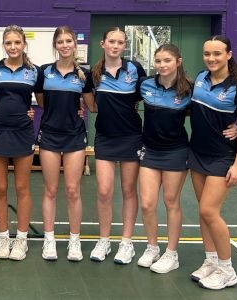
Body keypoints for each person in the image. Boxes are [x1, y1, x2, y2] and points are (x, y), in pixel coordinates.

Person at [136, 44, 237, 274]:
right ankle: (152, 247)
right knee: (147, 203)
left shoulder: (190, 89)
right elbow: (121, 105)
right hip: (150, 151)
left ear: (178, 62)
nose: (162, 65)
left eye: (167, 61)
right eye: (158, 61)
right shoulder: (145, 85)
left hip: (176, 151)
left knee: (171, 202)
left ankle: (171, 254)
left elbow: (211, 112)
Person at [188, 35, 237, 290]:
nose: (211, 59)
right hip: (197, 153)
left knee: (210, 211)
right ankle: (211, 261)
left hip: (222, 157)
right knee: (202, 212)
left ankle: (227, 270)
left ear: (229, 55)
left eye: (217, 54)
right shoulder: (199, 78)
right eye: (207, 54)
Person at [87, 27, 146, 264]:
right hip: (105, 137)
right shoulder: (94, 72)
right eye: (111, 41)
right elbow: (91, 105)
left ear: (124, 46)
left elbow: (144, 96)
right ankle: (104, 240)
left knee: (129, 190)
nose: (115, 45)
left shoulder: (135, 69)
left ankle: (126, 242)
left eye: (120, 42)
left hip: (131, 136)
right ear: (103, 43)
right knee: (103, 190)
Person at [0, 25, 43, 261]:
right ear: (4, 45)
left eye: (17, 42)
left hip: (22, 133)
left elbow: (41, 103)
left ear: (23, 45)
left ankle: (21, 239)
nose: (13, 47)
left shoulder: (34, 72)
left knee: (22, 187)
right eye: (8, 43)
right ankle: (3, 238)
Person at [37, 26, 94, 262]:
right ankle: (49, 240)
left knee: (72, 190)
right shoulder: (44, 72)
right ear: (55, 45)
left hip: (74, 136)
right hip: (49, 135)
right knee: (50, 190)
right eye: (60, 41)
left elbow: (92, 106)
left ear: (74, 44)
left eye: (68, 40)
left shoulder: (84, 75)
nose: (64, 45)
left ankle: (74, 240)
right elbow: (41, 103)